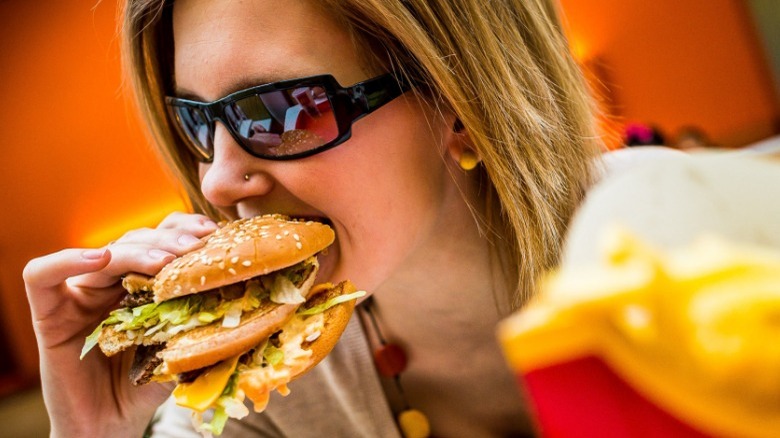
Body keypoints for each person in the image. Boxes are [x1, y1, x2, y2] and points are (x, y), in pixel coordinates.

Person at [22, 0, 602, 436]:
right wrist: (94, 433)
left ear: (458, 97)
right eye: (197, 122)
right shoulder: (254, 388)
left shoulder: (671, 235)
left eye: (283, 109)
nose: (214, 182)